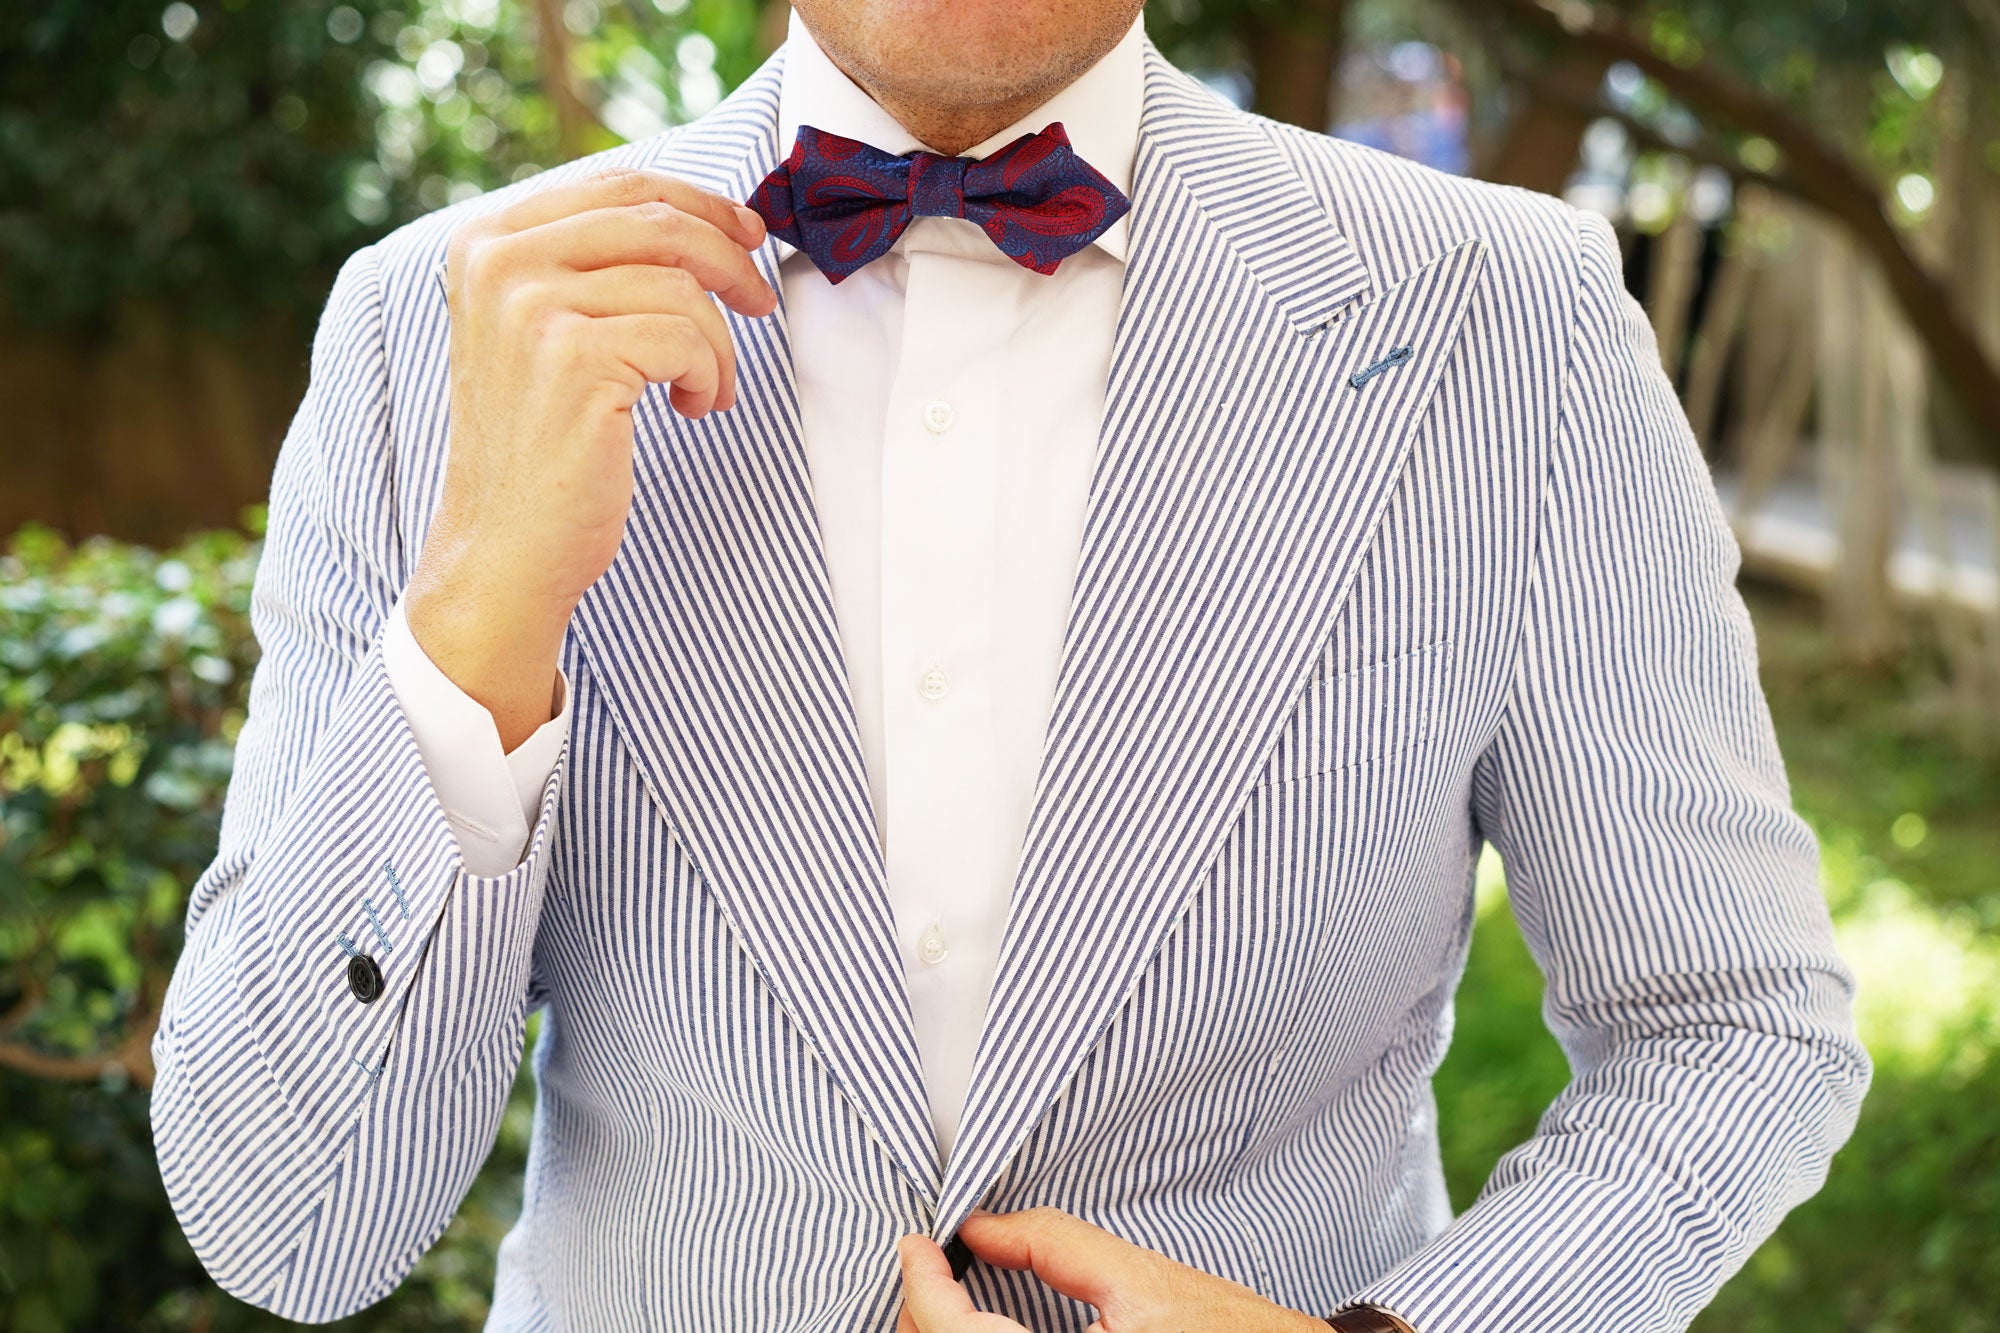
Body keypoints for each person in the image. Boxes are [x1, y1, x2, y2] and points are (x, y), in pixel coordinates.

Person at [148, 1, 1873, 1329]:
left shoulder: (1514, 324)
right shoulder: (428, 328)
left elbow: (1732, 1025)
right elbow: (295, 1212)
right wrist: (477, 618)